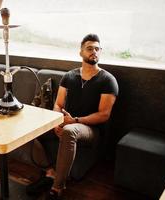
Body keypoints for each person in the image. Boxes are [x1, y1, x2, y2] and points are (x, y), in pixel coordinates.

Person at [26, 33, 119, 200]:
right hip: (67, 121)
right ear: (81, 52)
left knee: (69, 131)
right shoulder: (69, 76)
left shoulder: (108, 80)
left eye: (97, 49)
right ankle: (50, 172)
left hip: (91, 130)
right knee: (35, 129)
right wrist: (55, 123)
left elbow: (104, 115)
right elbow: (58, 105)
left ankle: (57, 187)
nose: (94, 52)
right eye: (90, 48)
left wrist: (74, 121)